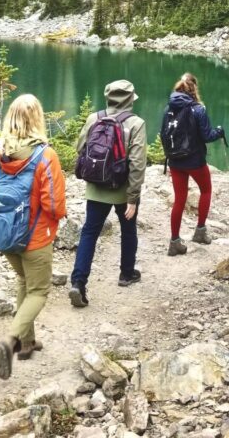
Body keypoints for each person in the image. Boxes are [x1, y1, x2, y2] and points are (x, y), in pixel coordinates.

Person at [0, 94, 66, 380]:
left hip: (3, 234)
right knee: (39, 291)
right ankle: (12, 340)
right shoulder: (45, 156)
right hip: (35, 237)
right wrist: (54, 220)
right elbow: (54, 205)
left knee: (23, 281)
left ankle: (27, 343)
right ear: (37, 119)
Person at [69, 80, 147, 308]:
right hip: (122, 189)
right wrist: (133, 197)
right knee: (128, 229)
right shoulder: (136, 123)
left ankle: (78, 282)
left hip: (95, 187)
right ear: (130, 100)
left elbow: (79, 146)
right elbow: (137, 163)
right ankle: (126, 273)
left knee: (89, 233)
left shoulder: (95, 118)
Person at [162, 73, 224, 257]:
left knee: (179, 199)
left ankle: (174, 242)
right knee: (205, 190)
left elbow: (163, 133)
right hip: (194, 160)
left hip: (174, 160)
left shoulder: (168, 109)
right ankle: (200, 232)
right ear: (194, 88)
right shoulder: (198, 109)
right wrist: (219, 132)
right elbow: (207, 136)